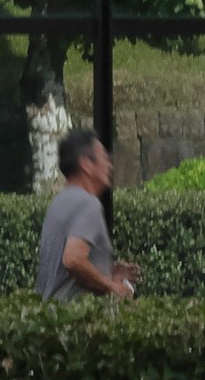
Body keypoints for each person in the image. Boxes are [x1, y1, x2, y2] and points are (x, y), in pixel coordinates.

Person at [35, 128, 136, 301]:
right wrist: (114, 288)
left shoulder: (58, 203)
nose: (109, 166)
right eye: (104, 158)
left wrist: (107, 270)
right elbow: (73, 260)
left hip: (51, 318)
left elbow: (61, 270)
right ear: (86, 165)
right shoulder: (88, 204)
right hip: (76, 320)